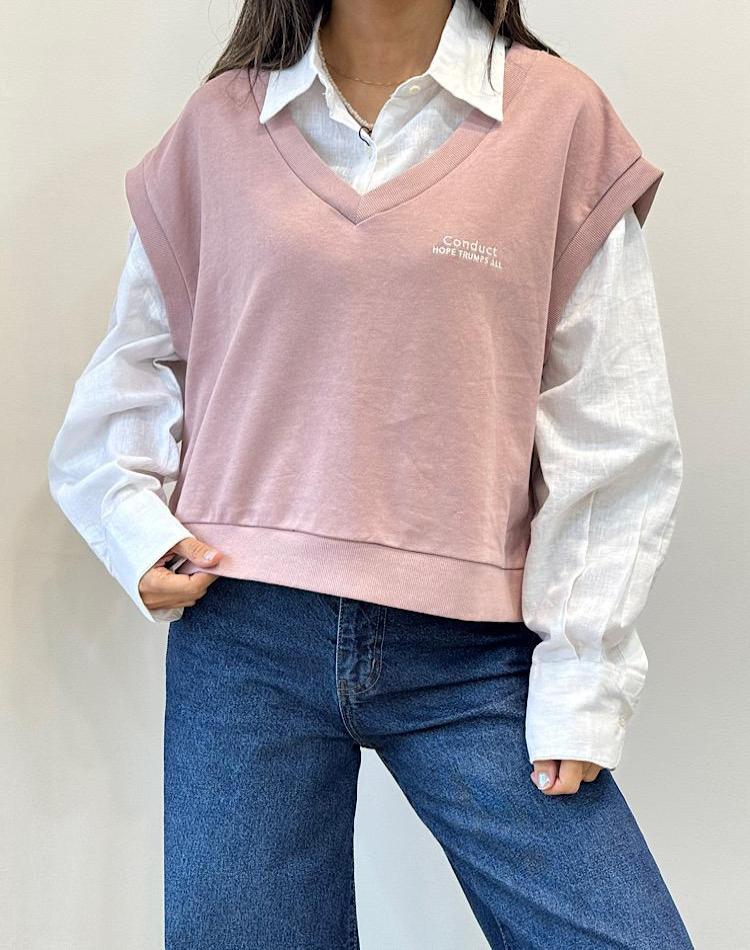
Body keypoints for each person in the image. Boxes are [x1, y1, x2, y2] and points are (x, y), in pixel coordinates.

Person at [47, 0, 695, 946]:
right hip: (246, 636)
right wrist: (130, 524)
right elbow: (137, 361)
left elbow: (612, 427)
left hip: (476, 651)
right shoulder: (220, 126)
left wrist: (584, 671)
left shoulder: (558, 119)